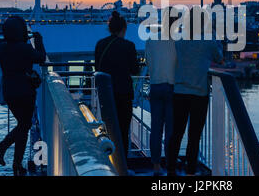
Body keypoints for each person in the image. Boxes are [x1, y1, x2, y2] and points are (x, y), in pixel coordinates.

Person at [167, 9, 224, 176]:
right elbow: (219, 58)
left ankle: (170, 170)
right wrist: (214, 35)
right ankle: (190, 171)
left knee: (176, 133)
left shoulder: (180, 39)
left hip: (179, 91)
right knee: (194, 136)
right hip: (199, 92)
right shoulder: (208, 41)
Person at [0, 16, 46, 176]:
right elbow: (41, 57)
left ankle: (16, 163)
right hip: (25, 91)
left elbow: (11, 49)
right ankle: (3, 149)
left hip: (9, 91)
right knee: (24, 125)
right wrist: (39, 40)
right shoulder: (25, 49)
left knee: (23, 125)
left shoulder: (1, 48)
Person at [95, 11, 139, 158]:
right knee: (123, 129)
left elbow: (98, 68)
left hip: (106, 94)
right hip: (124, 93)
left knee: (108, 128)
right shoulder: (129, 46)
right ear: (124, 29)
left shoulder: (100, 44)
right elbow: (135, 70)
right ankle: (122, 164)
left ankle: (110, 161)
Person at [145, 11, 176, 175]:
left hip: (155, 86)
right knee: (171, 130)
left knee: (156, 129)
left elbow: (148, 62)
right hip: (172, 87)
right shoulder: (178, 40)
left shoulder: (151, 39)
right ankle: (170, 165)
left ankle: (156, 166)